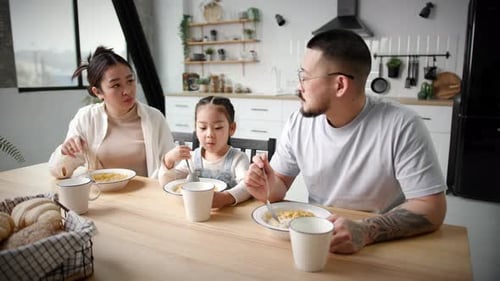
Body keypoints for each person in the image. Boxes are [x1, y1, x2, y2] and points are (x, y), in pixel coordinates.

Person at [244, 29, 447, 254]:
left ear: (340, 85)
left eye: (305, 77)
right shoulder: (298, 122)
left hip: (379, 247)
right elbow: (278, 187)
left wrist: (366, 230)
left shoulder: (402, 124)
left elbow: (432, 208)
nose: (299, 86)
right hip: (318, 241)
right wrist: (267, 186)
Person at [49, 46, 175, 179]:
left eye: (130, 81)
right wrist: (65, 152)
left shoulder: (154, 118)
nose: (127, 91)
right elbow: (59, 172)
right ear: (98, 92)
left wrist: (169, 164)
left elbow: (173, 169)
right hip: (100, 197)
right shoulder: (86, 118)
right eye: (116, 85)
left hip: (144, 197)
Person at [159, 96, 251, 209]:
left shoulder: (238, 158)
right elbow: (168, 184)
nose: (209, 134)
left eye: (217, 128)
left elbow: (247, 186)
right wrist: (168, 161)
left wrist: (225, 198)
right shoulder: (192, 158)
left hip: (227, 216)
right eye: (202, 128)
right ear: (195, 128)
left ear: (231, 128)